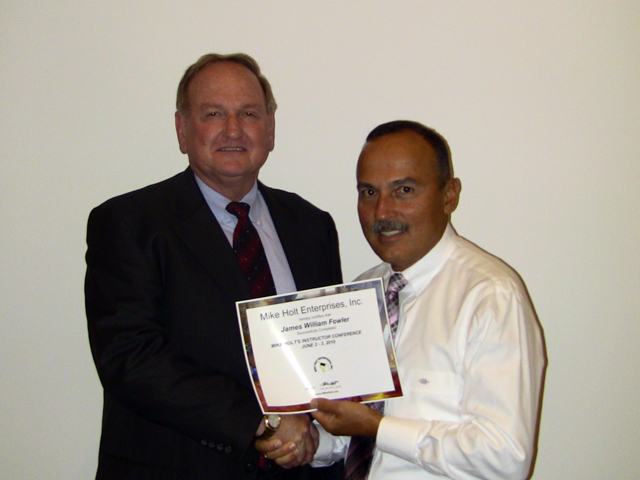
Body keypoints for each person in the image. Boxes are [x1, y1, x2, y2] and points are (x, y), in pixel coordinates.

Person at [85, 53, 343, 480]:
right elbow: (130, 358)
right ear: (182, 129)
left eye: (249, 113)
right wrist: (261, 422)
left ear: (270, 128)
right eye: (213, 113)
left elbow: (328, 349)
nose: (233, 130)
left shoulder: (312, 225)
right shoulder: (129, 223)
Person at [258, 120, 546, 479]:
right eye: (369, 192)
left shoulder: (490, 297)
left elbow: (504, 457)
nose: (382, 212)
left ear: (449, 195)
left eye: (404, 190)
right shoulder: (361, 293)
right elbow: (359, 437)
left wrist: (378, 428)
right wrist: (312, 443)